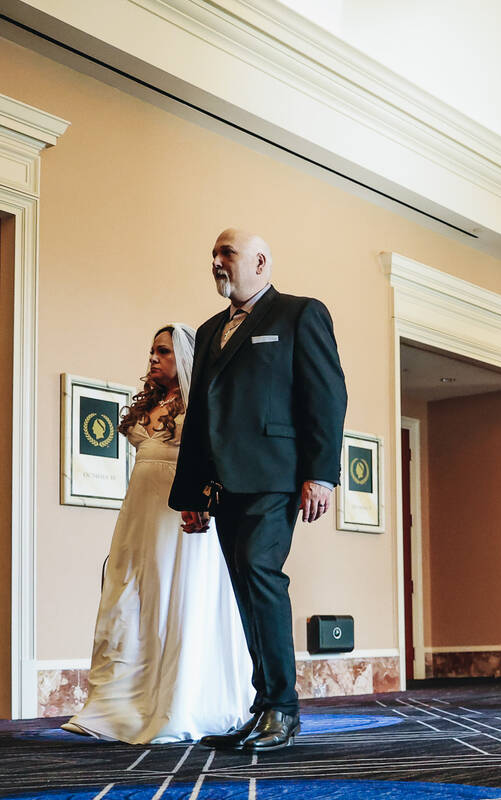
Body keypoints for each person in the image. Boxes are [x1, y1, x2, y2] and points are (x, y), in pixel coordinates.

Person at [169, 229, 348, 752]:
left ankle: (284, 709)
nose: (217, 263)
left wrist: (322, 473)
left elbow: (327, 398)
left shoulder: (299, 314)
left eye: (227, 253)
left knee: (261, 573)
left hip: (276, 475)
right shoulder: (207, 331)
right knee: (245, 584)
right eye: (214, 256)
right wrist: (193, 495)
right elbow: (202, 416)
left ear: (261, 261)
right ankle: (264, 704)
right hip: (223, 482)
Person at [63, 324, 253, 743]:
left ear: (183, 358)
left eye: (163, 351)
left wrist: (203, 504)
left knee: (177, 597)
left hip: (183, 516)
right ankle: (123, 702)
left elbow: (215, 458)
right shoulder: (149, 403)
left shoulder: (200, 402)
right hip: (138, 515)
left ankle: (179, 701)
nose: (153, 358)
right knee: (132, 598)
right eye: (151, 351)